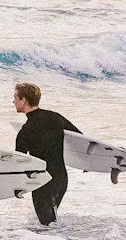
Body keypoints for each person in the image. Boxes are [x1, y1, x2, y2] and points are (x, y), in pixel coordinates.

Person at [9, 82, 80, 227]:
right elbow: (80, 139)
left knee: (47, 227)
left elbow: (18, 164)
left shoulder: (26, 131)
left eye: (15, 97)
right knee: (51, 224)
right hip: (61, 180)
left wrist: (3, 191)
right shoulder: (56, 117)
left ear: (24, 100)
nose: (13, 101)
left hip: (42, 182)